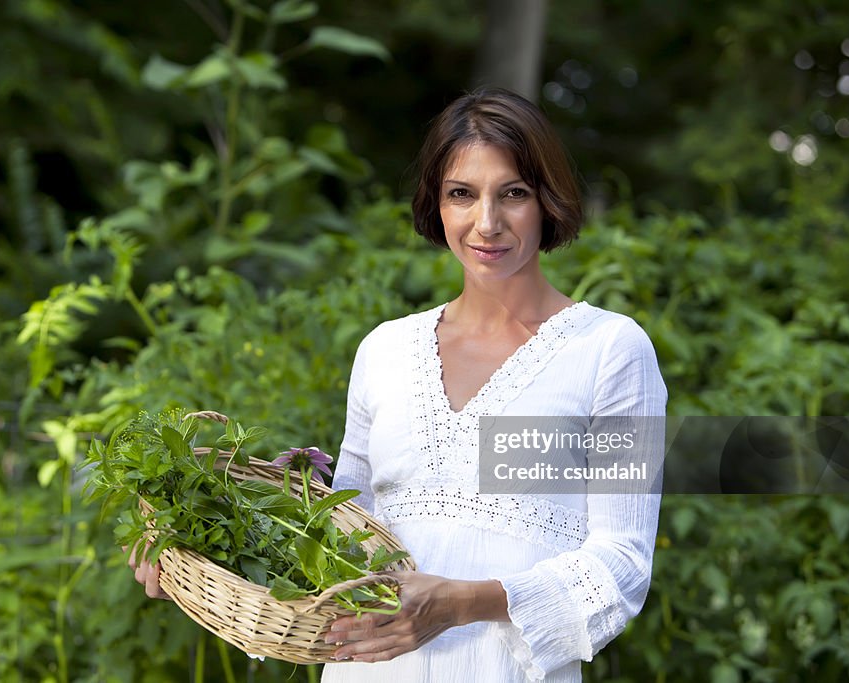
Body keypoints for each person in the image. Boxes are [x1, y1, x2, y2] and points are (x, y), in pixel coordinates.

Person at [132, 88, 667, 683]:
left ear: (547, 200)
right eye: (461, 194)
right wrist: (204, 552)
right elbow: (347, 534)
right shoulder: (385, 350)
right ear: (435, 205)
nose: (486, 223)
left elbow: (620, 564)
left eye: (512, 193)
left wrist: (458, 603)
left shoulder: (607, 352)